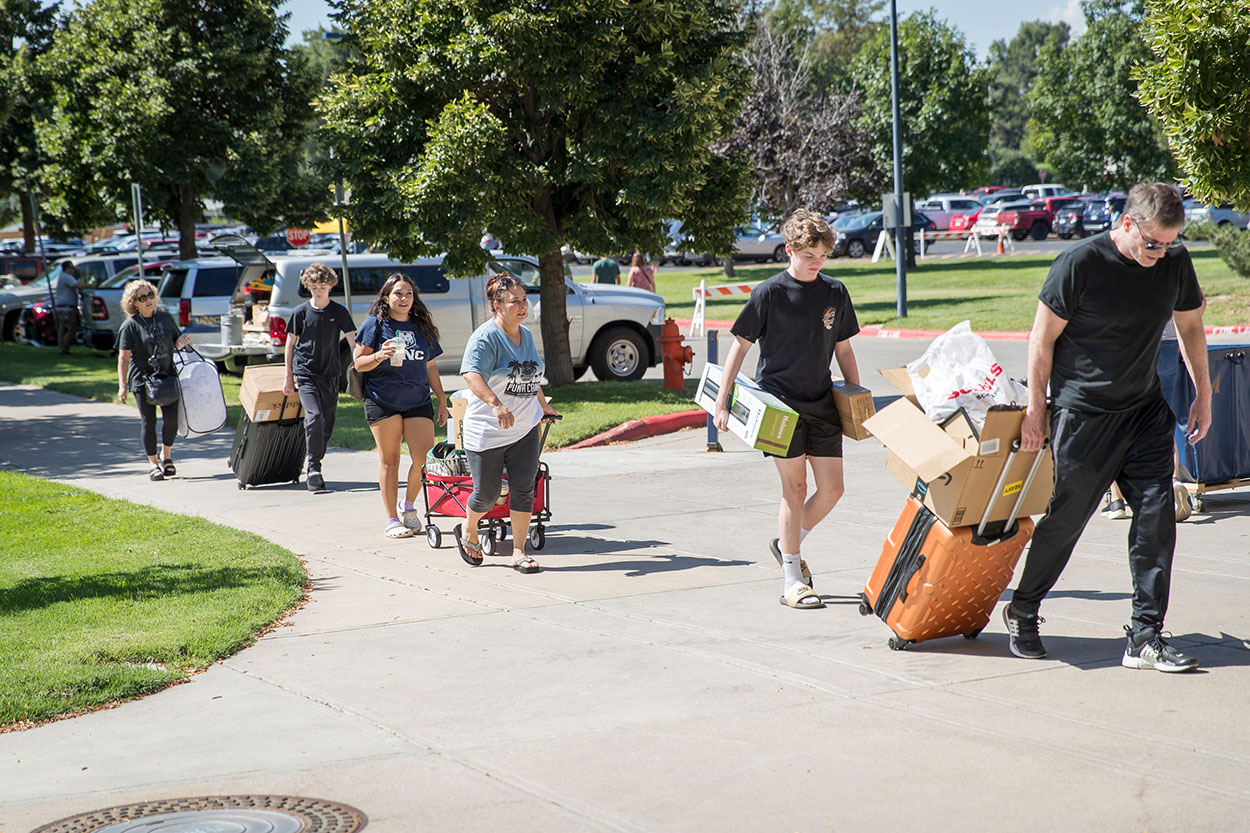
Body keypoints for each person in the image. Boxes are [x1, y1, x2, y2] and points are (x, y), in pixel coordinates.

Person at [1005, 182, 1211, 672]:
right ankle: (1024, 609)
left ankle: (1144, 635)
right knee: (1066, 521)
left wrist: (1203, 392)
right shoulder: (1079, 264)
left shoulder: (1174, 261)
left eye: (1171, 242)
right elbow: (1041, 340)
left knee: (1157, 521)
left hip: (1143, 412)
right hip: (1084, 415)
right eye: (1153, 243)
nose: (1162, 253)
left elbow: (1190, 326)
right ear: (1127, 223)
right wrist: (1037, 410)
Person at [713, 209, 861, 610]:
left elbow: (843, 348)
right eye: (810, 254)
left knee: (832, 490)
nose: (817, 263)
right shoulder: (769, 294)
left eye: (823, 256)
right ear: (791, 249)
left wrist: (856, 397)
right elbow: (739, 347)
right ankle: (792, 580)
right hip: (778, 407)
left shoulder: (835, 292)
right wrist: (721, 402)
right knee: (794, 489)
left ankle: (787, 543)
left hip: (823, 401)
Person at [455, 272, 560, 573]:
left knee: (524, 489)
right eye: (515, 301)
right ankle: (469, 527)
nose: (523, 306)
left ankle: (518, 551)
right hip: (488, 431)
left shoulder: (525, 335)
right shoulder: (485, 338)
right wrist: (496, 404)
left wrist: (542, 406)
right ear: (497, 306)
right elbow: (471, 375)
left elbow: (530, 374)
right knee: (487, 493)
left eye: (525, 300)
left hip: (524, 427)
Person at [353, 273, 448, 539]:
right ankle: (391, 519)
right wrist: (379, 355)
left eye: (408, 293)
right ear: (386, 297)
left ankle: (408, 507)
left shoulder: (422, 327)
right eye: (397, 293)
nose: (404, 298)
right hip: (383, 401)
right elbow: (358, 363)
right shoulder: (375, 324)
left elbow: (430, 366)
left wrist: (441, 399)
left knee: (423, 459)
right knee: (390, 461)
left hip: (417, 400)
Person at [282, 262, 356, 492]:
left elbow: (353, 340)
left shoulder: (339, 312)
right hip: (305, 373)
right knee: (314, 416)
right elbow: (290, 344)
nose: (318, 290)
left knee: (327, 423)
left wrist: (361, 365)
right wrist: (288, 376)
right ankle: (313, 469)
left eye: (322, 286)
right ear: (308, 286)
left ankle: (316, 463)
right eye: (313, 286)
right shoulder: (300, 312)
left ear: (331, 286)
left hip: (331, 374)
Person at [116, 280, 191, 480]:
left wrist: (180, 342)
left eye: (150, 295)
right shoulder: (130, 326)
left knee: (172, 419)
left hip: (166, 375)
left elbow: (175, 342)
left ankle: (167, 457)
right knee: (148, 422)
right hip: (142, 380)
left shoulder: (166, 318)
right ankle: (153, 464)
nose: (148, 300)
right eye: (143, 298)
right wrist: (122, 386)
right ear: (134, 302)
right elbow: (123, 358)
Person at [53, 260, 88, 354]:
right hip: (66, 308)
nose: (73, 270)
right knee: (71, 328)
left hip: (63, 307)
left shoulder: (64, 277)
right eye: (72, 268)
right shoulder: (66, 277)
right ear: (67, 269)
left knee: (63, 329)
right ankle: (64, 349)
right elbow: (78, 285)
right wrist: (91, 285)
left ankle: (62, 348)